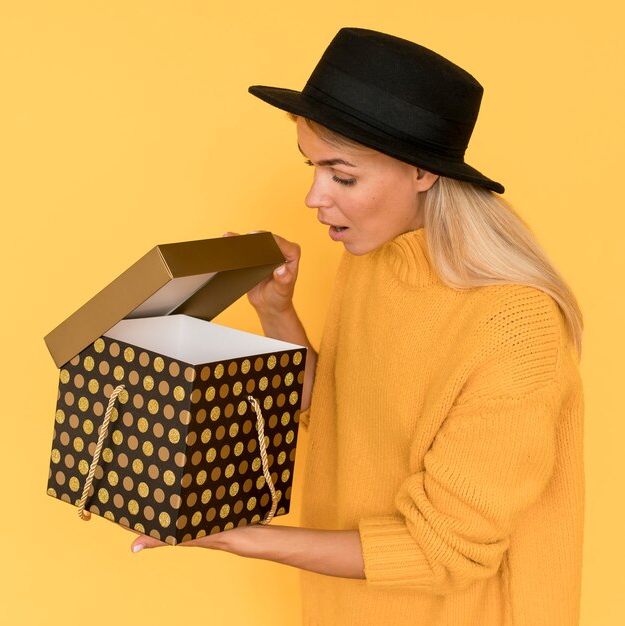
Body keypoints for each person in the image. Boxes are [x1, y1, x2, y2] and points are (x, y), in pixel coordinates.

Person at [130, 28, 584, 626]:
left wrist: (237, 537)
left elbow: (441, 551)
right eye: (312, 167)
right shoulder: (373, 258)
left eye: (342, 177)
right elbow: (338, 412)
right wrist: (275, 309)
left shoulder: (516, 327)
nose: (314, 197)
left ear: (423, 173)